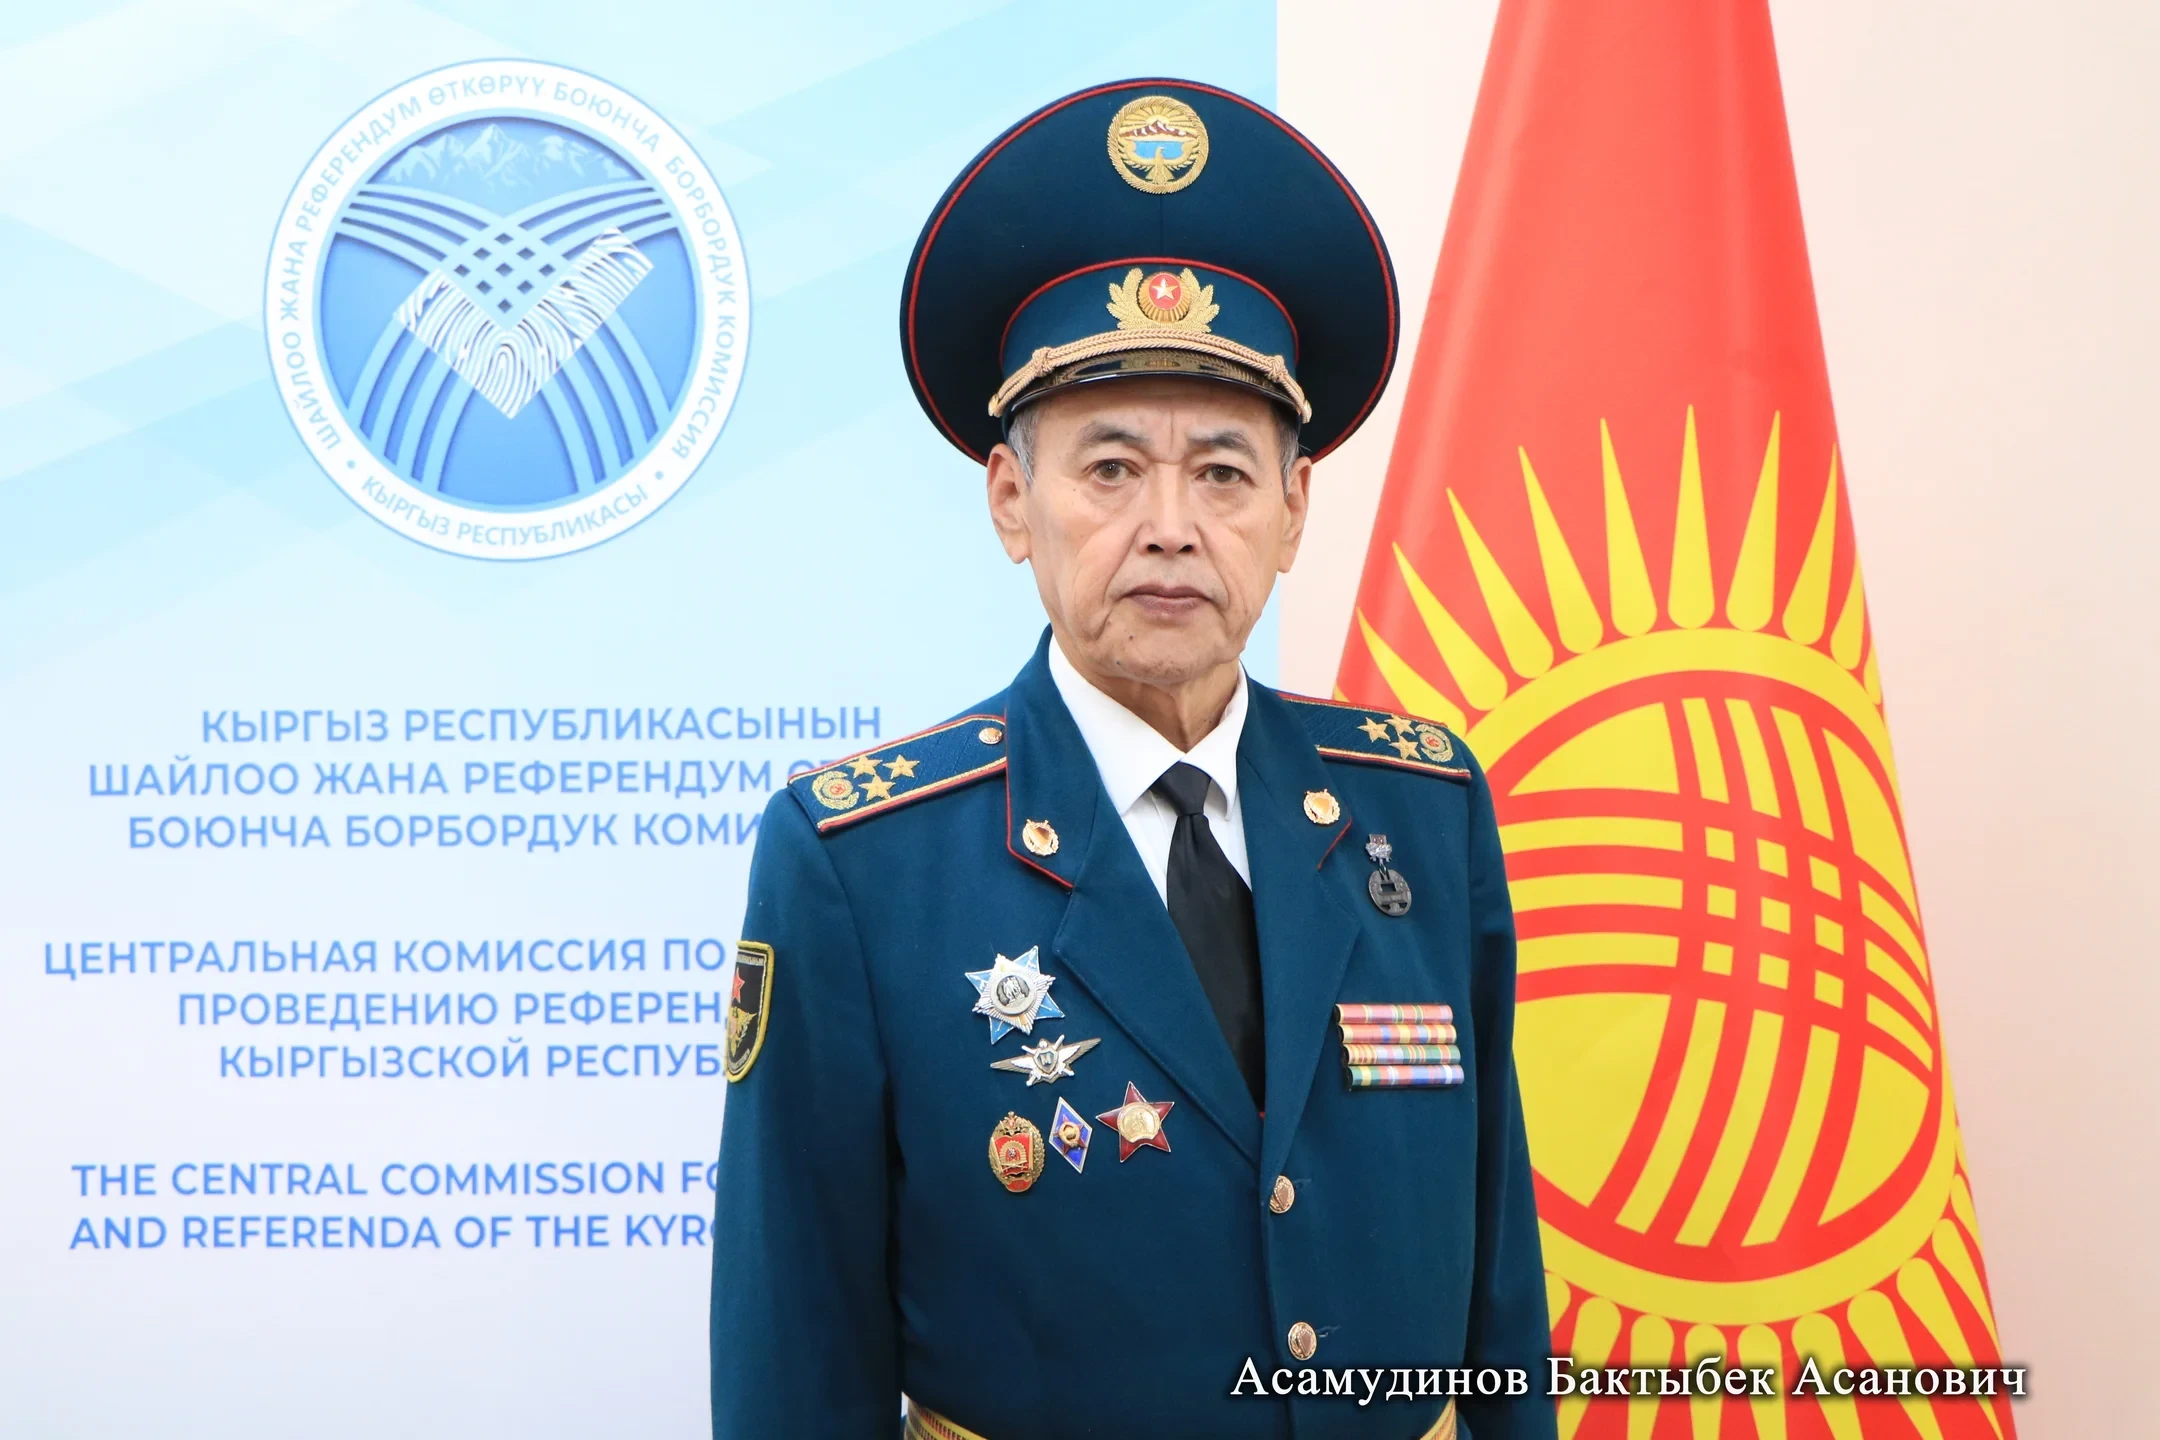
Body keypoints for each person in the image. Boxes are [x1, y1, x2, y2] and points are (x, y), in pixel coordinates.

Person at [710, 79, 1556, 1440]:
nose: (1171, 526)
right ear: (1011, 501)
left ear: (1293, 512)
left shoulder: (1421, 807)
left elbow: (1496, 1277)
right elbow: (793, 1344)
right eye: (1110, 469)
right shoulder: (863, 863)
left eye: (1223, 473)